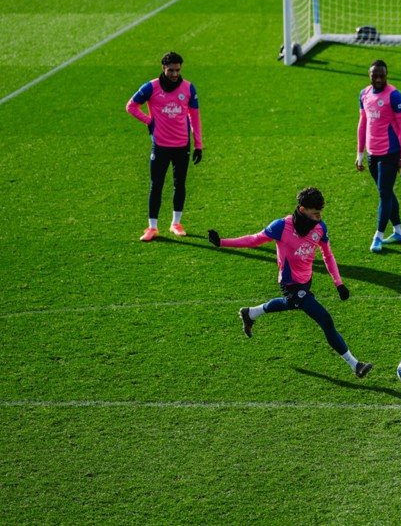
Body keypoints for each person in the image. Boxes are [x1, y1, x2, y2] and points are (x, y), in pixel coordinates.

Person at [206, 187, 373, 379]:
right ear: (302, 210)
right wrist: (222, 242)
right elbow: (254, 240)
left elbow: (327, 254)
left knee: (291, 304)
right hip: (290, 284)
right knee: (325, 319)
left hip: (306, 281)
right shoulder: (281, 226)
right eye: (315, 213)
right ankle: (356, 365)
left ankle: (251, 313)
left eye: (320, 213)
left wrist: (339, 283)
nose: (319, 218)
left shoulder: (319, 228)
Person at [126, 51, 203, 242]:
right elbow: (131, 106)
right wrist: (149, 122)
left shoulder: (188, 88)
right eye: (171, 70)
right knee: (156, 185)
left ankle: (176, 223)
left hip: (181, 145)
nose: (175, 74)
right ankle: (152, 227)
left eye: (178, 70)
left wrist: (198, 145)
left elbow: (195, 117)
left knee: (180, 184)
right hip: (160, 146)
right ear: (163, 68)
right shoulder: (151, 88)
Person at [356, 59, 401, 253]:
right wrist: (360, 153)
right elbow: (363, 124)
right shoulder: (364, 94)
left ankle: (378, 236)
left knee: (384, 193)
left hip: (390, 153)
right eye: (375, 75)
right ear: (369, 75)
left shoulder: (395, 96)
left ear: (386, 75)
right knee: (385, 191)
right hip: (372, 153)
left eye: (382, 75)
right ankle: (399, 231)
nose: (378, 79)